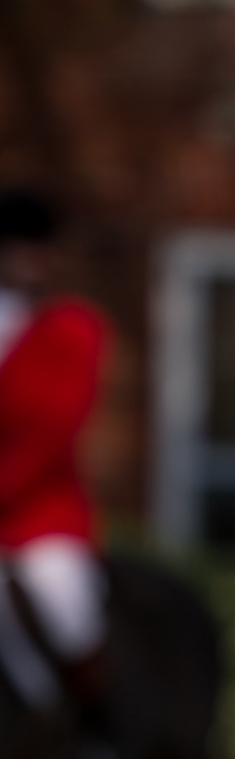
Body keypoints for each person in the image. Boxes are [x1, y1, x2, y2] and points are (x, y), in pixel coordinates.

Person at [0, 188, 109, 714]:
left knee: (69, 614)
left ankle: (86, 743)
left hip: (40, 522)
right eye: (24, 249)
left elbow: (48, 433)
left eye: (42, 250)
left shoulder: (71, 330)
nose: (37, 262)